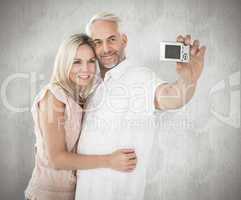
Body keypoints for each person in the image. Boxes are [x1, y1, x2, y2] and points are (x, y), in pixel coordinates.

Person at [75, 13, 206, 200]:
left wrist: (188, 78)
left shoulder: (139, 77)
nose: (105, 49)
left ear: (124, 40)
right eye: (97, 42)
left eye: (111, 39)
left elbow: (171, 97)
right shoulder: (92, 86)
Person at [24, 33, 137, 200]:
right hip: (47, 195)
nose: (86, 69)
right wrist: (109, 161)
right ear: (64, 63)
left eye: (91, 61)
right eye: (77, 62)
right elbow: (57, 159)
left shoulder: (81, 96)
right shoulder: (53, 96)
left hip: (74, 194)